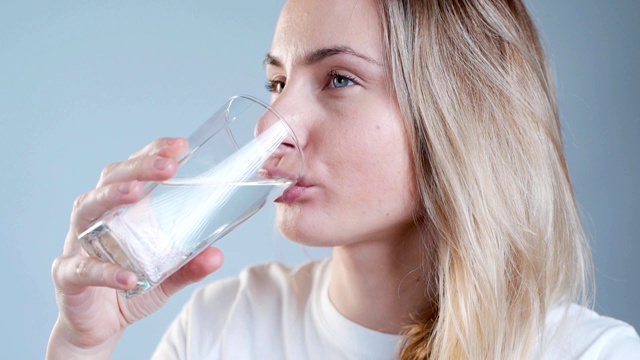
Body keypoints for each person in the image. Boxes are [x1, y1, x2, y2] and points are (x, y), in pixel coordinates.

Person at [47, 0, 640, 359]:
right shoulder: (227, 326)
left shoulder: (590, 353)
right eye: (278, 83)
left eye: (338, 80)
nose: (272, 129)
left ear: (461, 114)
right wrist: (84, 345)